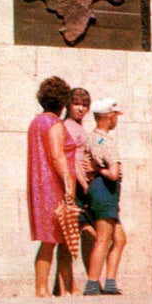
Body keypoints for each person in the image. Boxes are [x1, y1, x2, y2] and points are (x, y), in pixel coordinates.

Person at [27, 76, 77, 297]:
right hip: (52, 187)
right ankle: (45, 289)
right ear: (63, 102)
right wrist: (68, 184)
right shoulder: (54, 124)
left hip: (38, 186)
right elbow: (57, 156)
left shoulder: (35, 123)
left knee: (49, 241)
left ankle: (43, 288)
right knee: (55, 239)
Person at [83, 97, 127, 296]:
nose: (116, 120)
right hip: (105, 189)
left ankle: (110, 281)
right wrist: (100, 170)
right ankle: (92, 282)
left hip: (99, 190)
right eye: (115, 115)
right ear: (108, 117)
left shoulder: (92, 137)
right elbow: (113, 173)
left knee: (119, 238)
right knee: (104, 238)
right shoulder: (107, 141)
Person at [54, 88, 96, 293]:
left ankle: (80, 283)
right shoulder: (67, 126)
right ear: (68, 105)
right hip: (74, 185)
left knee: (84, 234)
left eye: (84, 105)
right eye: (76, 104)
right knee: (69, 238)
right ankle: (67, 286)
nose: (80, 108)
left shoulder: (79, 127)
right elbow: (72, 160)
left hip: (82, 183)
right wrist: (85, 185)